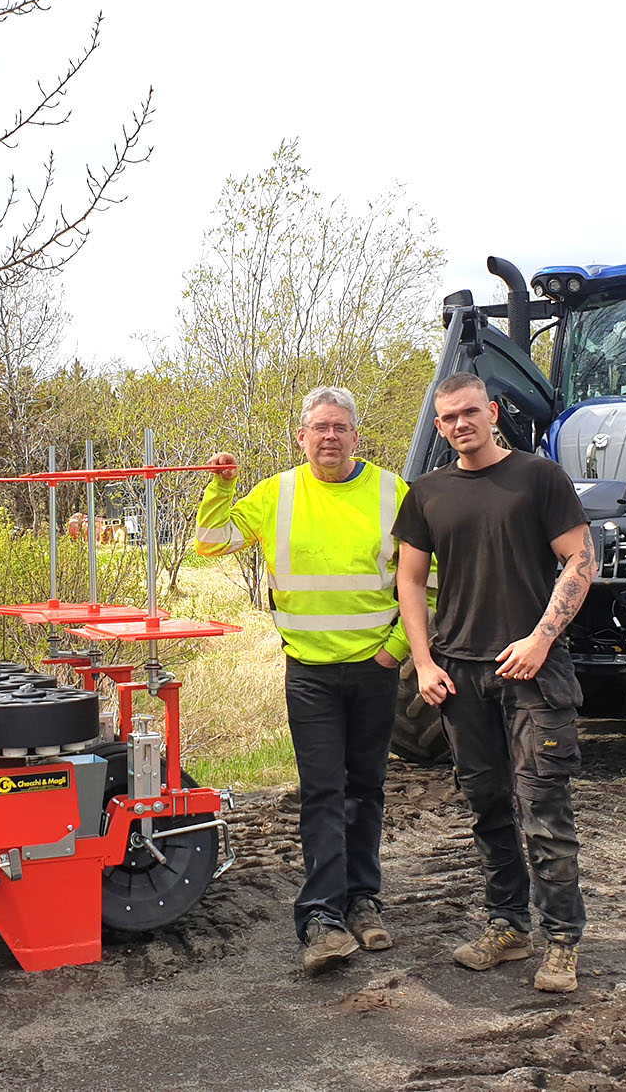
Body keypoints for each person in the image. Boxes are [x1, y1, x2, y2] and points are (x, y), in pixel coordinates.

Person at [195, 385, 412, 974]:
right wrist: (220, 484)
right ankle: (321, 916)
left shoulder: (393, 492)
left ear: (356, 436)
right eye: (319, 428)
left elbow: (430, 576)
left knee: (365, 789)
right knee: (322, 792)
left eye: (340, 428)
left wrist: (396, 650)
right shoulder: (278, 493)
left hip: (375, 668)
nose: (330, 438)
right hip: (310, 672)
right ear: (302, 436)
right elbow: (210, 544)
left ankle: (364, 900)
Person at [392, 370, 597, 993]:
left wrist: (541, 639)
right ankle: (507, 925)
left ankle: (561, 940)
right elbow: (409, 580)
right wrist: (424, 663)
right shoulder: (426, 493)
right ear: (438, 424)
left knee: (543, 807)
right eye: (448, 416)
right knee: (486, 806)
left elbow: (581, 559)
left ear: (494, 411)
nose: (460, 424)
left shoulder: (538, 477)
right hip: (460, 675)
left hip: (534, 671)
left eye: (470, 412)